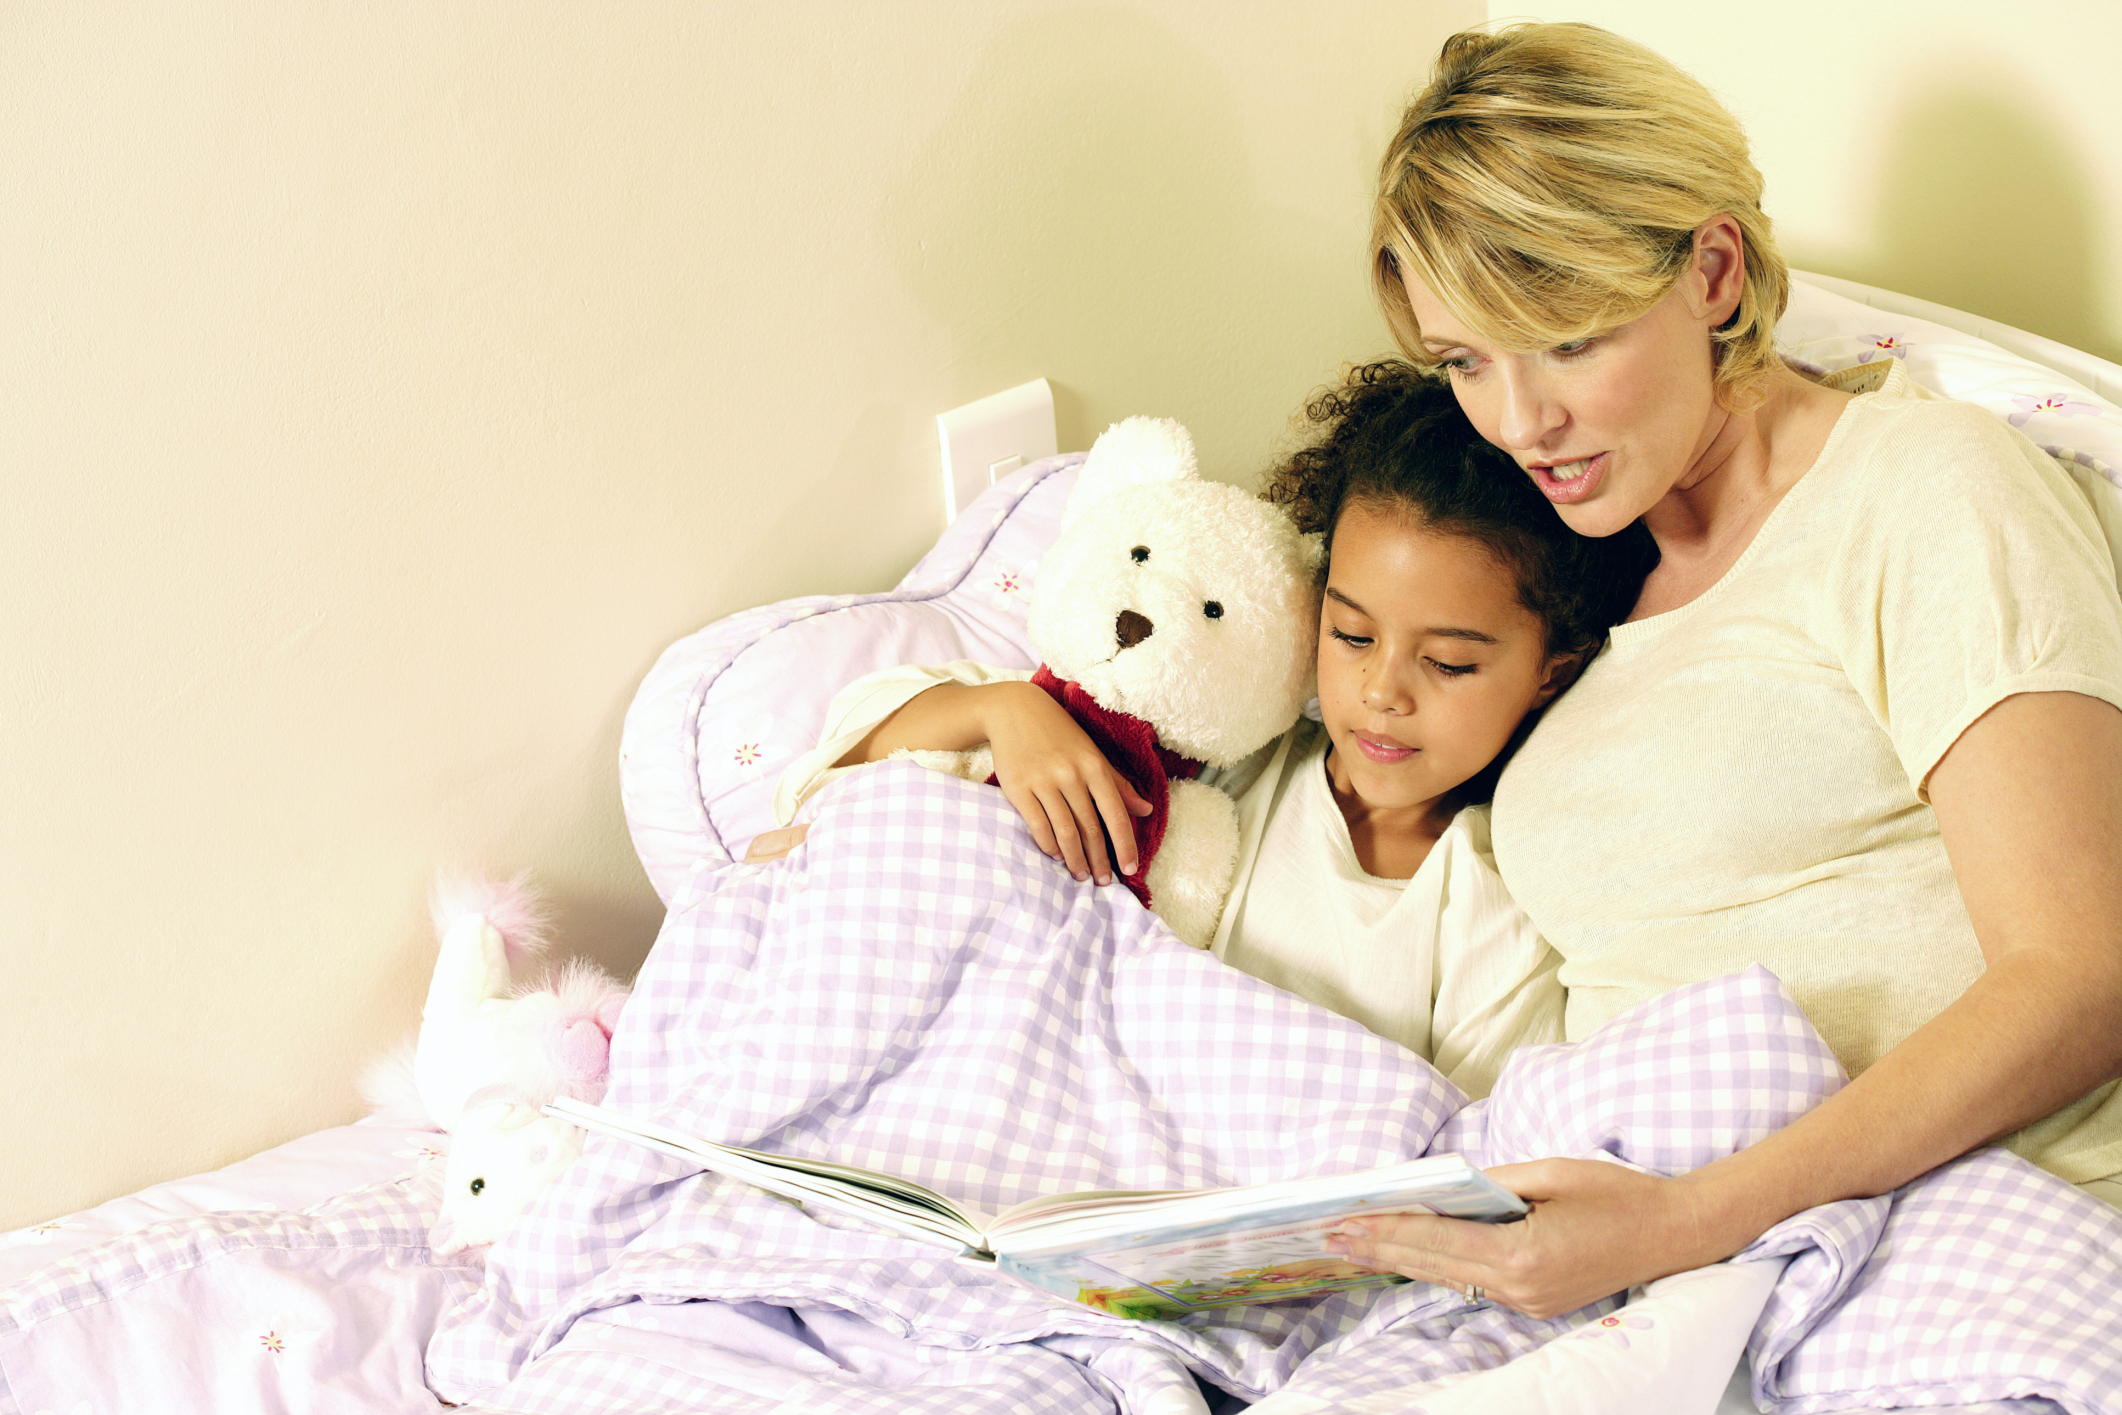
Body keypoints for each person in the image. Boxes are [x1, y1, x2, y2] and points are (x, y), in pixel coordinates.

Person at [1324, 21, 2122, 1317]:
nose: (1521, 421)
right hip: (1625, 1258)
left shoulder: (1920, 492)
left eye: (1567, 341)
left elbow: (2082, 974)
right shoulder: (1560, 570)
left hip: (1926, 1245)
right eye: (1465, 359)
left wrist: (1686, 1222)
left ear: (1710, 270)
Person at [773, 367, 1655, 1098]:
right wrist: (1004, 711)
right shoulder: (1233, 751)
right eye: (1352, 635)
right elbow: (834, 766)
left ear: (1551, 671)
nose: (1381, 691)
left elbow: (1484, 1156)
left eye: (1449, 663)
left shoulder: (1483, 901)